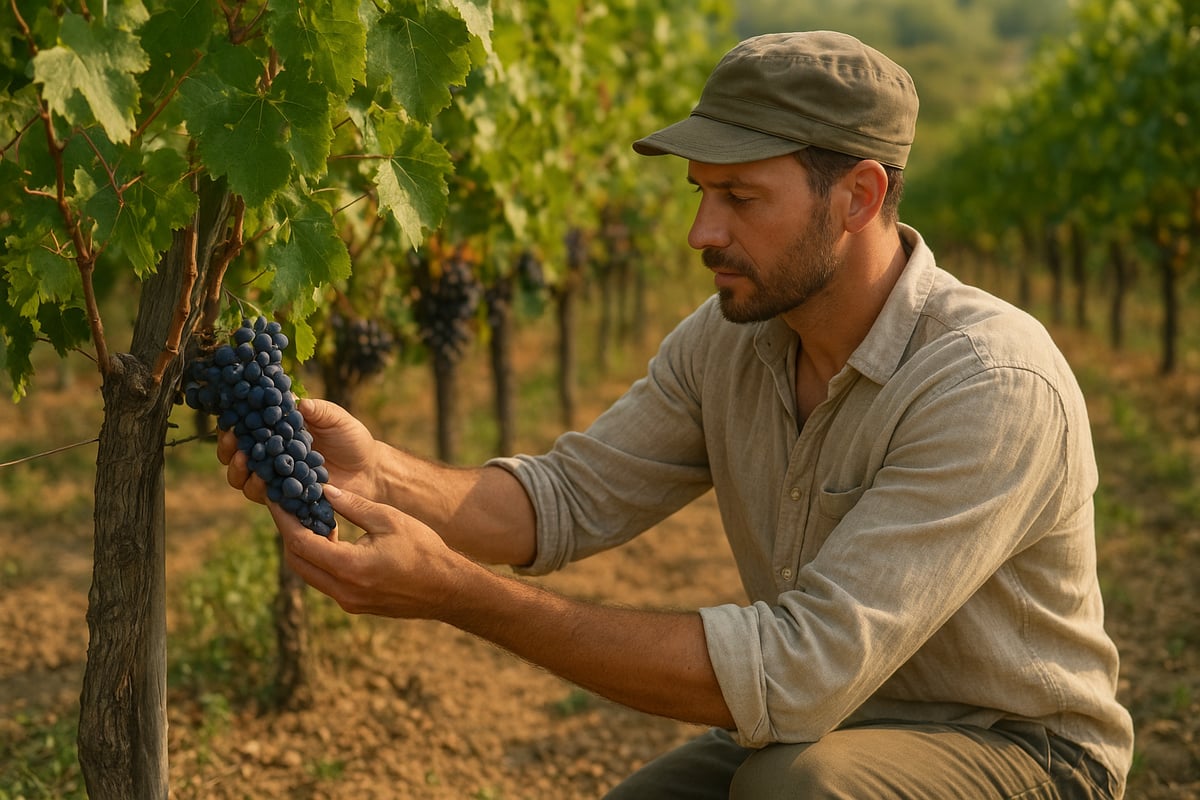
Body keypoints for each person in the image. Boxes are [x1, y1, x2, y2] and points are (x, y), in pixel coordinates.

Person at [220, 31, 1133, 799]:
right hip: (833, 719)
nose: (702, 231)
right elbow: (567, 498)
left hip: (1024, 752)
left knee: (791, 791)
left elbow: (796, 669)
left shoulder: (989, 382)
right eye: (700, 191)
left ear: (858, 197)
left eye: (740, 197)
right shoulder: (732, 340)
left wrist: (463, 598)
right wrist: (381, 473)